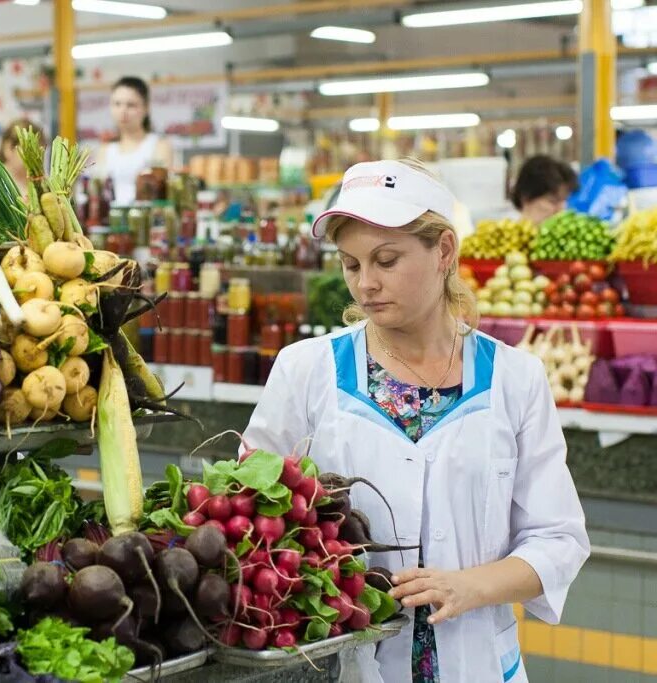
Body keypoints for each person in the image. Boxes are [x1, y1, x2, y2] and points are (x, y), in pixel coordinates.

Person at [241, 159, 589, 682]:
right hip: (347, 666)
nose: (366, 284)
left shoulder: (515, 378)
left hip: (477, 663)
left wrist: (470, 586)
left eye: (386, 260)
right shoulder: (306, 369)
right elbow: (250, 514)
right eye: (351, 264)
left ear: (444, 251)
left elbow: (557, 539)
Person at [97, 76, 174, 205]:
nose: (123, 111)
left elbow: (162, 193)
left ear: (146, 108)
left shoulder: (160, 146)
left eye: (131, 105)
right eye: (117, 104)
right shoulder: (105, 149)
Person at [511, 155, 579, 224]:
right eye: (553, 201)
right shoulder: (505, 233)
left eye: (564, 201)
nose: (561, 210)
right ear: (525, 197)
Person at [0, 118, 43, 196]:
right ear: (8, 148)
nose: (37, 157)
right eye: (31, 150)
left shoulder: (42, 184)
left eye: (40, 150)